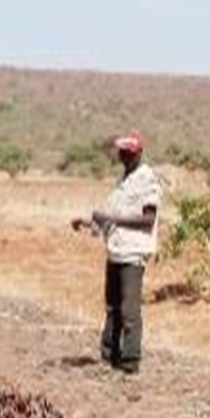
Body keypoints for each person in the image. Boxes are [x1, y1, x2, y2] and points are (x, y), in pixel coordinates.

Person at [70, 132, 161, 374]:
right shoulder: (123, 182)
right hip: (116, 251)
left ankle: (130, 361)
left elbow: (148, 220)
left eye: (129, 152)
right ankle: (110, 354)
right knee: (113, 307)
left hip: (133, 253)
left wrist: (111, 218)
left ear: (139, 153)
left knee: (129, 310)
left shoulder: (147, 179)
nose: (124, 156)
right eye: (122, 151)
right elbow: (109, 217)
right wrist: (89, 224)